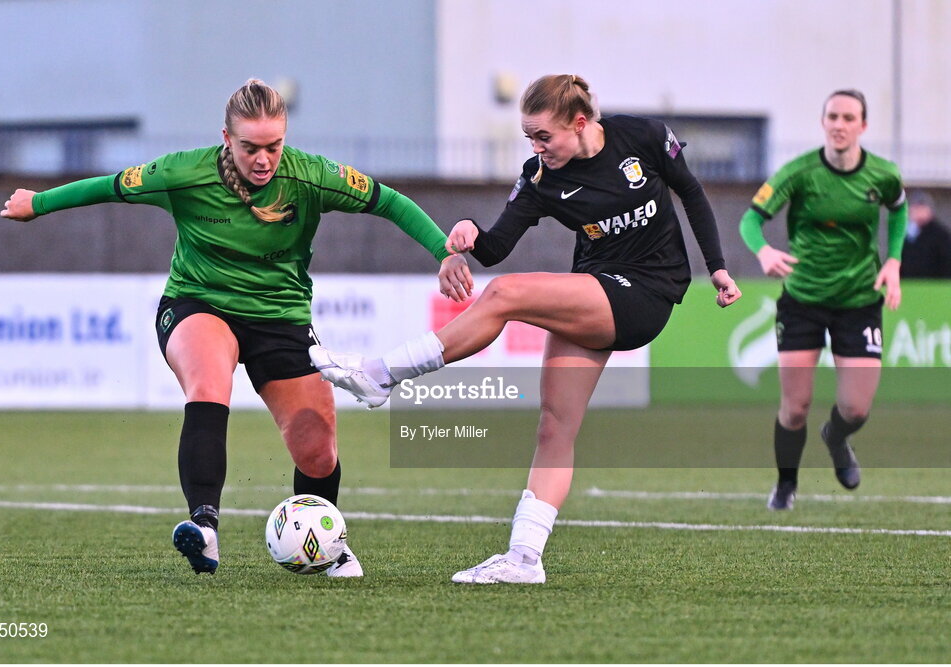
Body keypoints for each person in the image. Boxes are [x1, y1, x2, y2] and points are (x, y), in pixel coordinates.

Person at [0, 78, 469, 577]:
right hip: (198, 302)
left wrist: (444, 251)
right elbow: (108, 186)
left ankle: (325, 540)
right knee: (208, 383)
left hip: (280, 316)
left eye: (274, 146)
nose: (264, 159)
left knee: (317, 445)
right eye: (250, 147)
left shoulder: (312, 176)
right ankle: (204, 528)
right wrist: (39, 203)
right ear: (227, 138)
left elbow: (389, 201)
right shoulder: (183, 172)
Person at [310, 74, 741, 584]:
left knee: (505, 295)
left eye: (544, 137)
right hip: (599, 288)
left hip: (650, 291)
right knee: (554, 426)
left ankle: (381, 374)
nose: (537, 148)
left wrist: (716, 266)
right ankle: (523, 559)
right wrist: (469, 235)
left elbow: (690, 192)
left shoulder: (642, 137)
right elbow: (496, 249)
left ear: (580, 124)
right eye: (529, 138)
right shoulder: (541, 177)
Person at [738, 89, 907, 511]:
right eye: (832, 116)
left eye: (849, 117)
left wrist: (894, 261)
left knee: (856, 408)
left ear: (862, 126)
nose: (839, 124)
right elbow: (750, 219)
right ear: (823, 122)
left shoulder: (883, 174)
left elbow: (899, 209)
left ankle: (837, 437)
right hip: (803, 299)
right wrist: (763, 250)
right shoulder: (798, 172)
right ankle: (786, 484)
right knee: (794, 409)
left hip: (859, 299)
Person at [901, 190, 951, 278]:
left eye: (922, 208)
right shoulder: (907, 234)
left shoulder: (940, 235)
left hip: (935, 283)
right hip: (909, 283)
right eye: (915, 208)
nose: (918, 212)